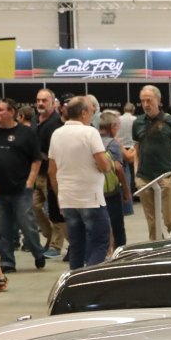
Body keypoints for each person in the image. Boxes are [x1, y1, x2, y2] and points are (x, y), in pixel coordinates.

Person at [0, 98, 51, 272]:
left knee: (27, 225)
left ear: (12, 112)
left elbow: (36, 159)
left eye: (1, 110)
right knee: (3, 228)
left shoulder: (26, 133)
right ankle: (7, 261)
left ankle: (37, 252)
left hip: (21, 189)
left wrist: (30, 182)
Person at [47, 95, 112, 271]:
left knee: (76, 244)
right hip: (91, 199)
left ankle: (75, 279)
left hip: (67, 198)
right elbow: (104, 165)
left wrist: (59, 194)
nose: (92, 115)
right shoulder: (90, 132)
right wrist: (107, 164)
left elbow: (52, 170)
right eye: (91, 111)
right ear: (83, 113)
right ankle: (90, 279)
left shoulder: (57, 134)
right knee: (100, 242)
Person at [129, 84, 171, 240]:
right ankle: (156, 249)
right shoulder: (138, 123)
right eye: (142, 101)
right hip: (145, 179)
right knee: (153, 223)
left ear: (158, 100)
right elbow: (136, 153)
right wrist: (137, 176)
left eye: (149, 100)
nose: (146, 104)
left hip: (166, 178)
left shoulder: (170, 122)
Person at [32, 88, 66, 256]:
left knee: (55, 210)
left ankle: (56, 245)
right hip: (35, 172)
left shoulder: (57, 123)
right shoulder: (34, 120)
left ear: (53, 103)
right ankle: (49, 236)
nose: (40, 103)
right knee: (34, 207)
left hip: (52, 173)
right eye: (38, 100)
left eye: (44, 100)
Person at [97, 110, 128, 250]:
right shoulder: (113, 144)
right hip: (111, 191)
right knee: (117, 225)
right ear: (113, 127)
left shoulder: (93, 140)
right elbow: (118, 168)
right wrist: (126, 190)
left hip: (95, 190)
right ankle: (120, 252)